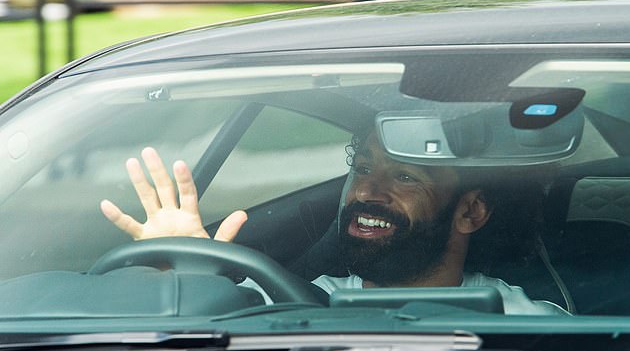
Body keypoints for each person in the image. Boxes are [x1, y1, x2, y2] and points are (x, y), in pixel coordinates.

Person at [100, 131, 567, 315]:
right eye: (362, 169)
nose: (366, 192)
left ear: (471, 212)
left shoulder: (529, 325)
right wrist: (177, 279)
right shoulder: (278, 300)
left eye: (404, 176)